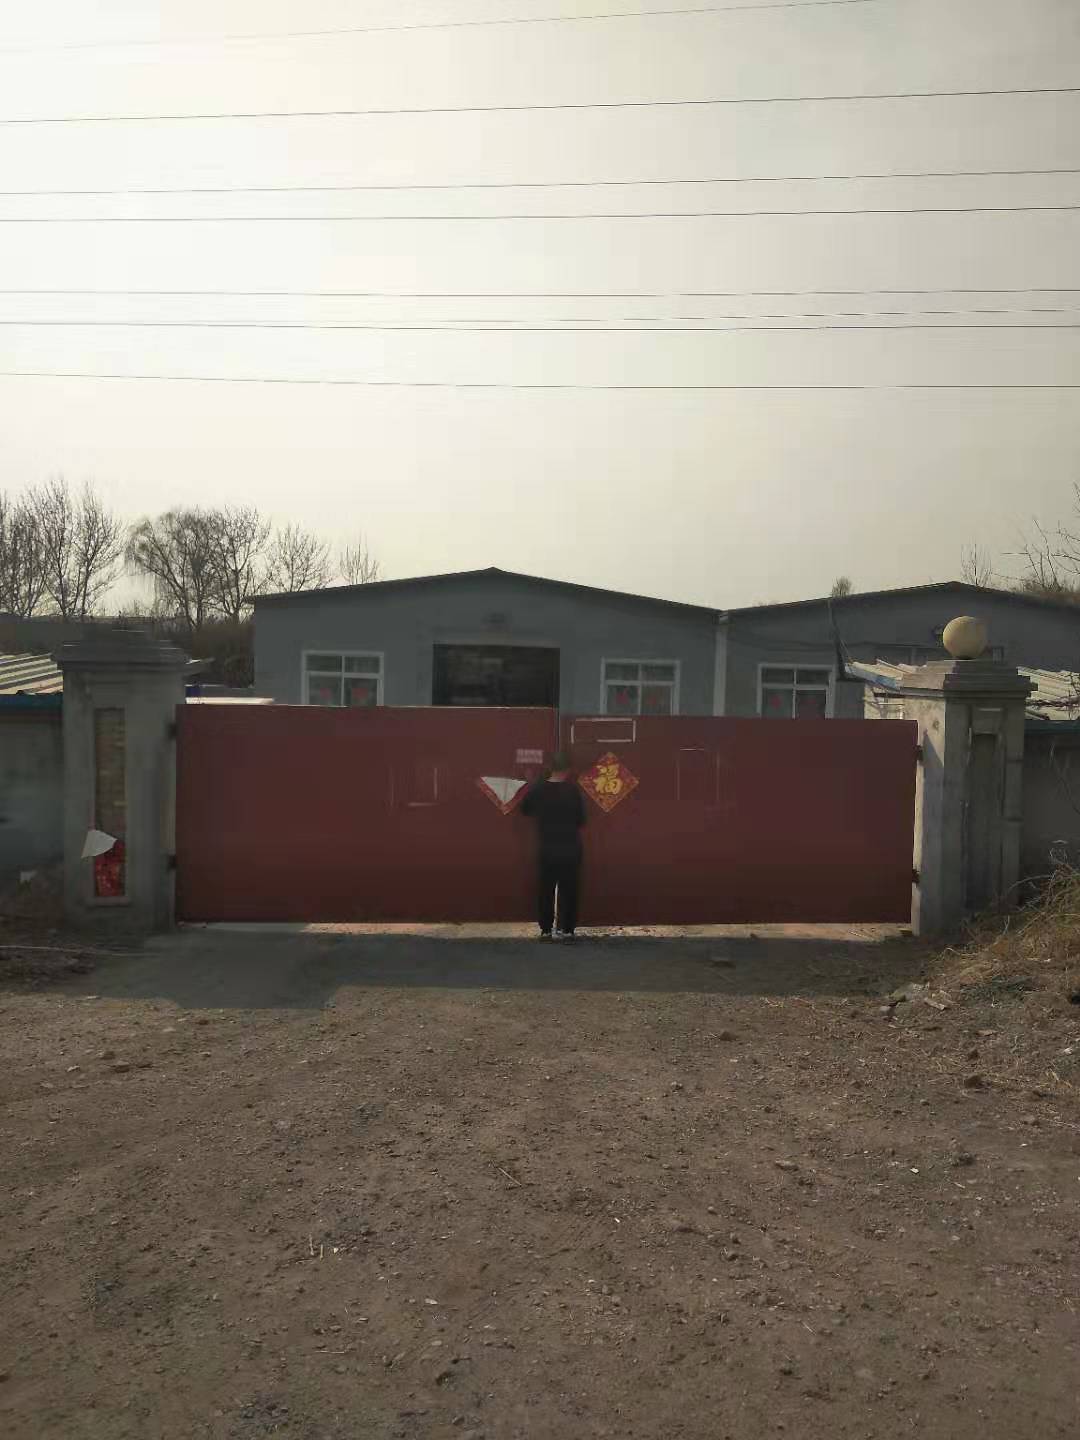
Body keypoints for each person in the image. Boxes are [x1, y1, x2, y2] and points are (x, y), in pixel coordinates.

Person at [520, 751, 586, 940]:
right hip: (571, 847)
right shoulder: (573, 791)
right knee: (570, 890)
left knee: (546, 889)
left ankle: (546, 930)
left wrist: (534, 783)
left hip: (547, 847)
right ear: (568, 769)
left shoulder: (539, 790)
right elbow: (582, 820)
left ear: (550, 767)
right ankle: (568, 930)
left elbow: (525, 810)